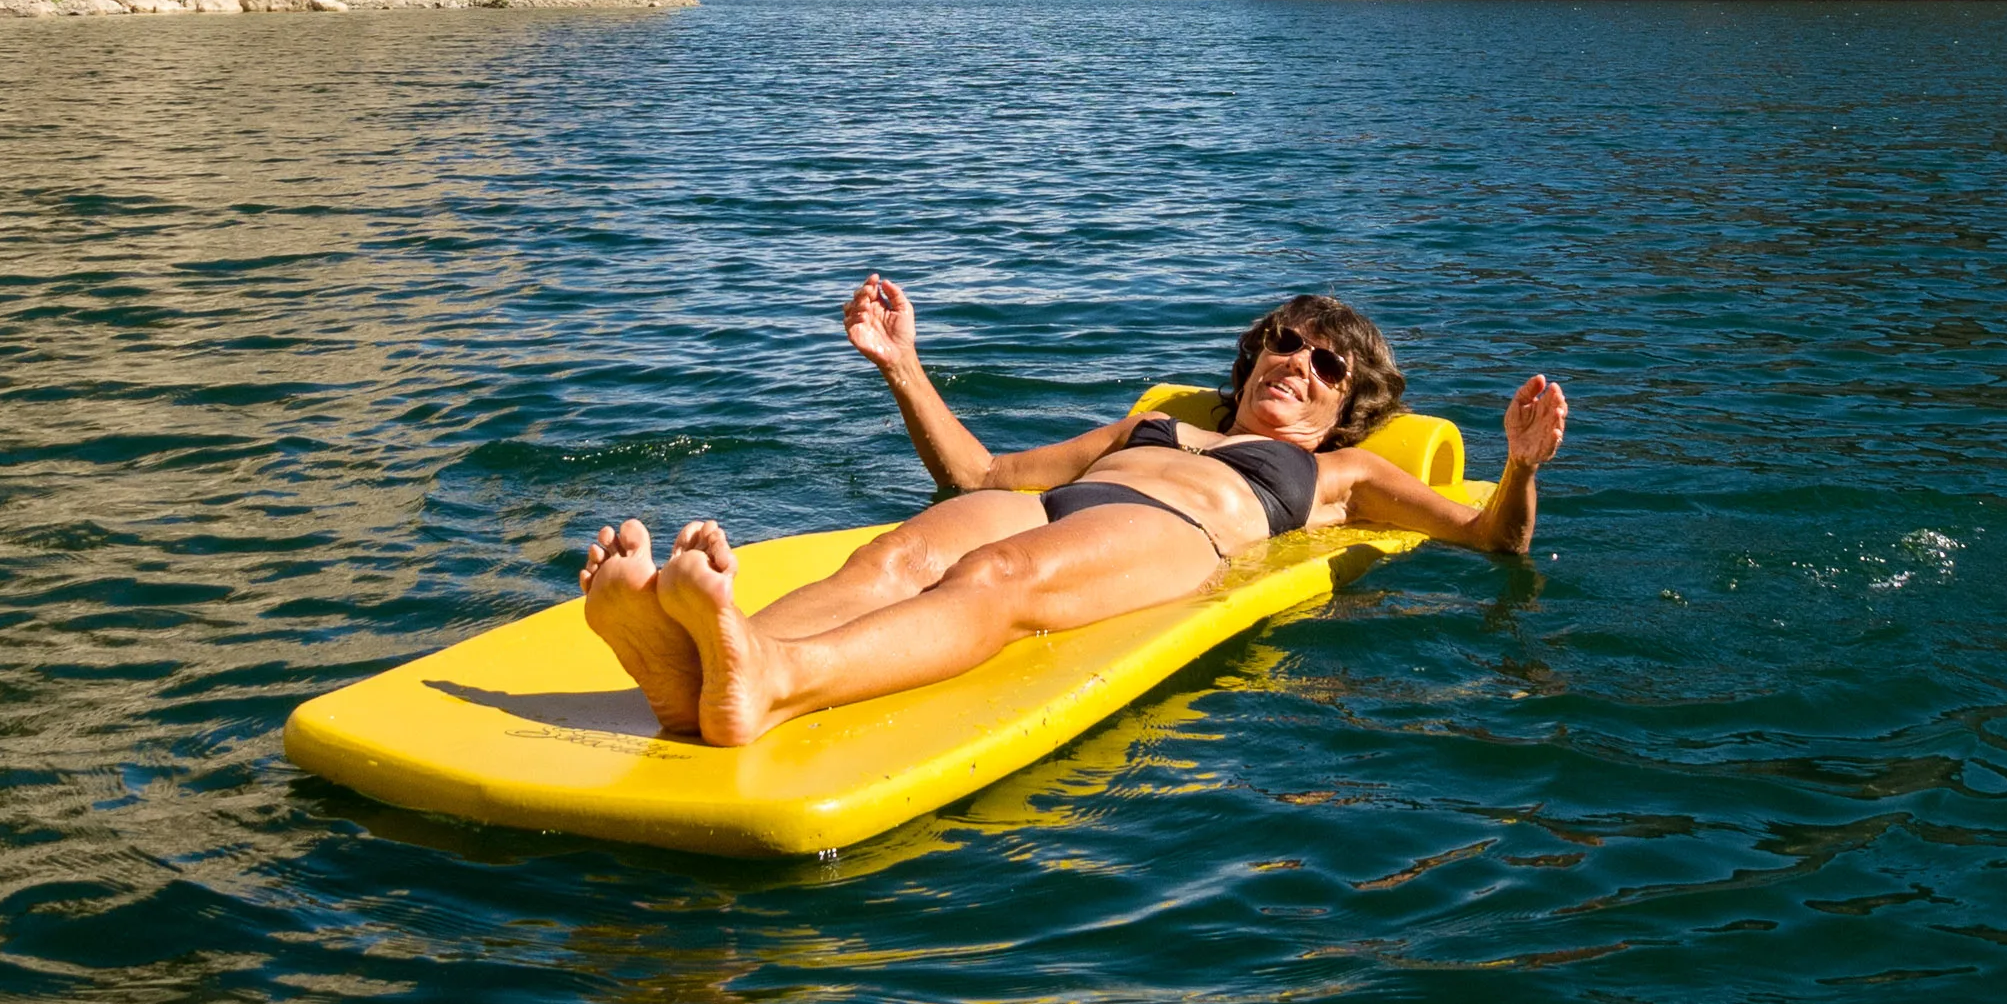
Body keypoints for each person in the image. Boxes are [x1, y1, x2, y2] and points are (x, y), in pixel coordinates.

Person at [579, 275, 1570, 746]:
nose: (1296, 363)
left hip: (1180, 536)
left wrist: (1519, 468)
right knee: (887, 562)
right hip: (1058, 501)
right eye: (1283, 341)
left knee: (998, 580)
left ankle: (776, 679)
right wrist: (902, 365)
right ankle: (709, 657)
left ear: (1350, 402)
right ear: (1252, 355)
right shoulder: (1154, 421)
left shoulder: (1346, 471)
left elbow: (1492, 538)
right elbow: (982, 475)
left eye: (1325, 361)